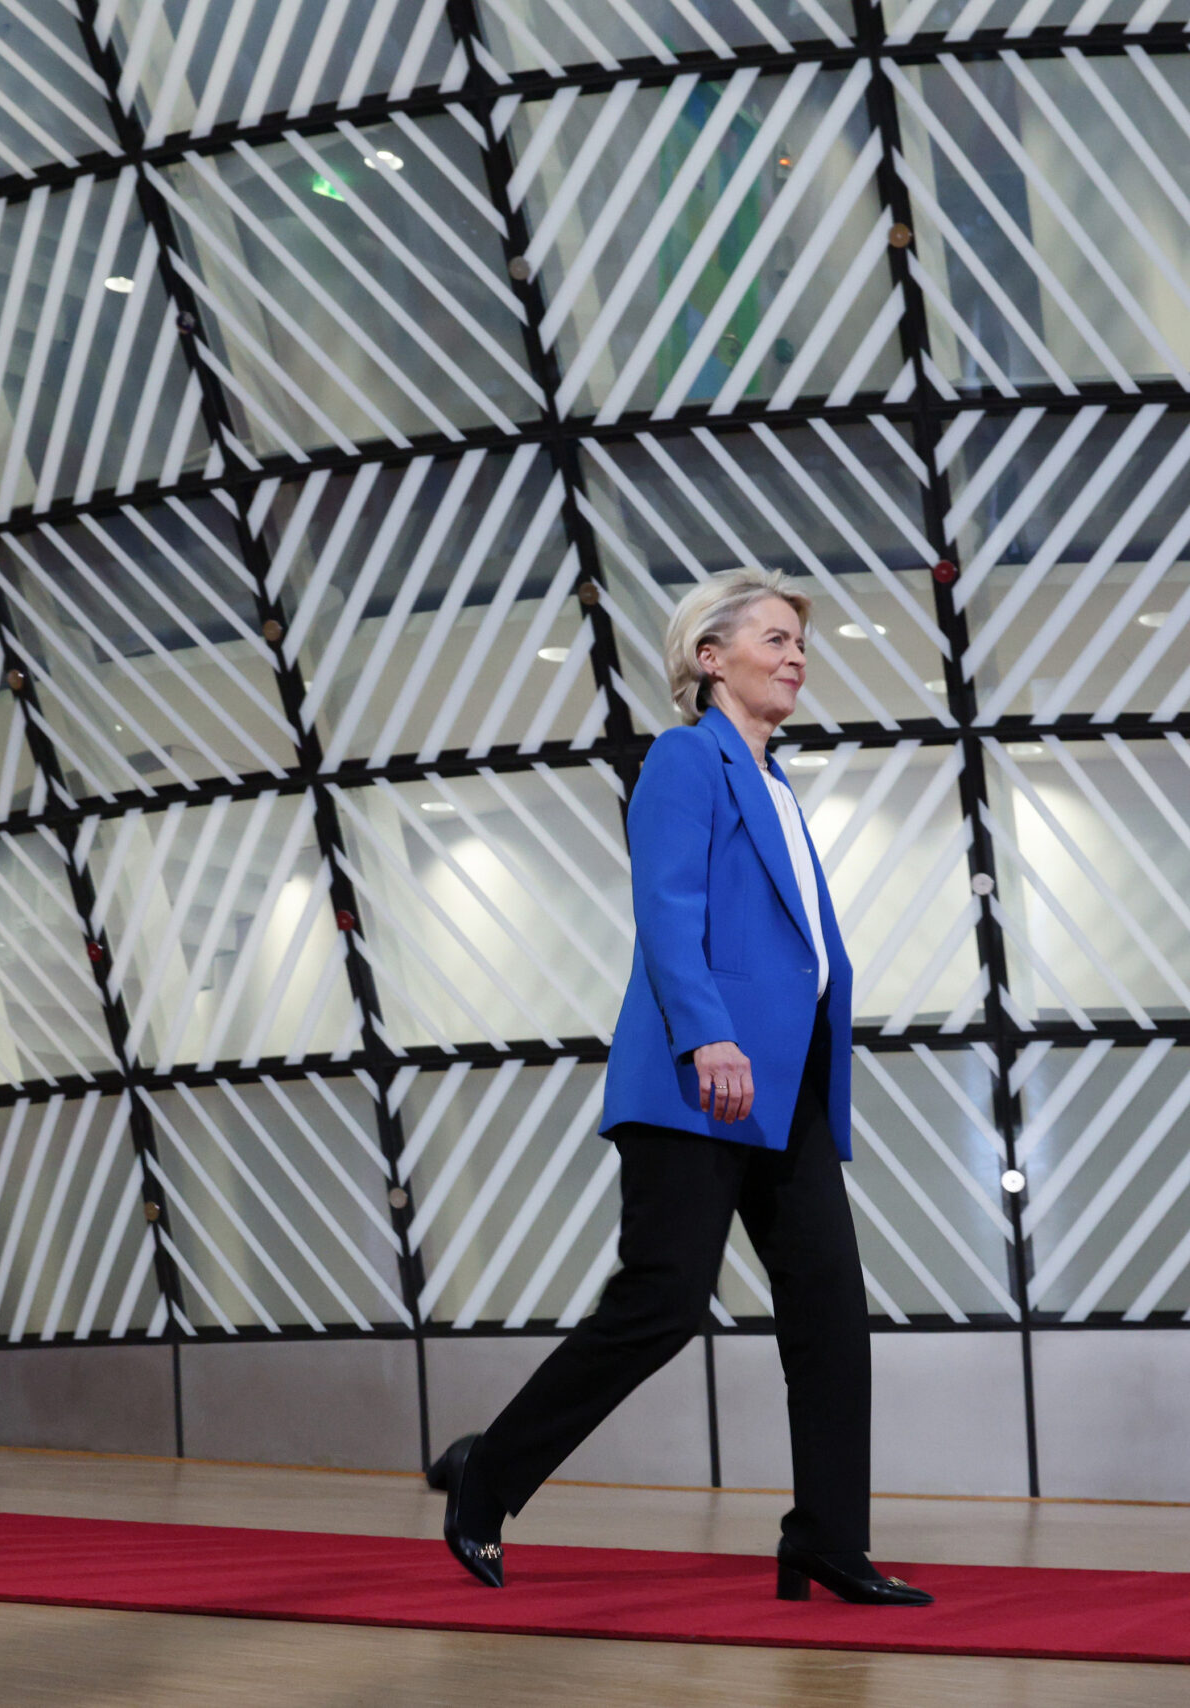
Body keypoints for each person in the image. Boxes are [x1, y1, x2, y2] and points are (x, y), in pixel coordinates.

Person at [427, 568, 929, 1607]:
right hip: (701, 1080)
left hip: (785, 1090)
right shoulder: (685, 759)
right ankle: (491, 1473)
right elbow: (667, 909)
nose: (796, 656)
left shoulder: (776, 782)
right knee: (661, 1303)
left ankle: (826, 1540)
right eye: (775, 638)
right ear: (710, 656)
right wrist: (709, 1036)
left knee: (831, 1317)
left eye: (800, 642)